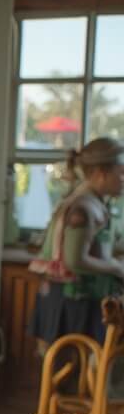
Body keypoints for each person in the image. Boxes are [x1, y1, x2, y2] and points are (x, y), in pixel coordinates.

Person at [30, 137, 124, 347]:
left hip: (82, 301)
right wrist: (116, 268)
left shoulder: (97, 202)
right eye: (121, 173)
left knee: (82, 371)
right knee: (69, 368)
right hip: (70, 302)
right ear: (101, 174)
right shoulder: (83, 208)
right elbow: (75, 260)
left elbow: (105, 244)